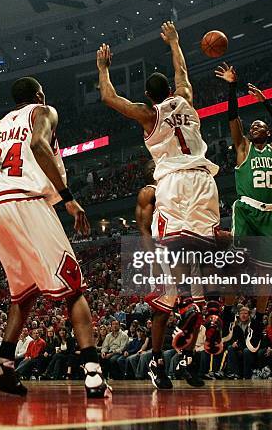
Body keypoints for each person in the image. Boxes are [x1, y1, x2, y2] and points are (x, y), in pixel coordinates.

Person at [98, 24, 219, 389]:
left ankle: (180, 357)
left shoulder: (149, 116)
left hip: (177, 188)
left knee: (169, 301)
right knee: (198, 272)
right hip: (205, 181)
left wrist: (103, 68)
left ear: (150, 97)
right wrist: (175, 42)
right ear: (168, 92)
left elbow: (110, 99)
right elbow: (182, 72)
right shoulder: (185, 98)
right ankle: (169, 358)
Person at [0, 77, 110, 398]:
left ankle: (2, 364)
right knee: (73, 288)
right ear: (39, 95)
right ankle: (93, 374)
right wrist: (68, 197)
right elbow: (39, 144)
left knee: (23, 293)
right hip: (25, 199)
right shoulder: (43, 111)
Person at [215, 63, 272, 314]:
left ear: (268, 133)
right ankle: (227, 312)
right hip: (247, 208)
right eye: (252, 127)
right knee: (235, 262)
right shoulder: (243, 149)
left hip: (271, 214)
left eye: (260, 126)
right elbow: (232, 118)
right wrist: (232, 86)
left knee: (265, 272)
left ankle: (258, 319)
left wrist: (264, 101)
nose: (254, 128)